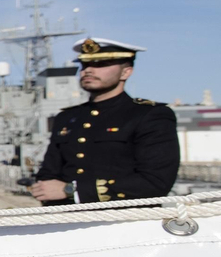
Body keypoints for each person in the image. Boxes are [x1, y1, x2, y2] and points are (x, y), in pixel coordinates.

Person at [28, 38, 179, 205]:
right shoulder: (67, 118)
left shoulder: (149, 115)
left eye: (101, 64)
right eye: (85, 65)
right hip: (67, 220)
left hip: (123, 221)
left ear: (126, 72)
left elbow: (155, 182)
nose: (89, 70)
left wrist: (71, 190)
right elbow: (48, 175)